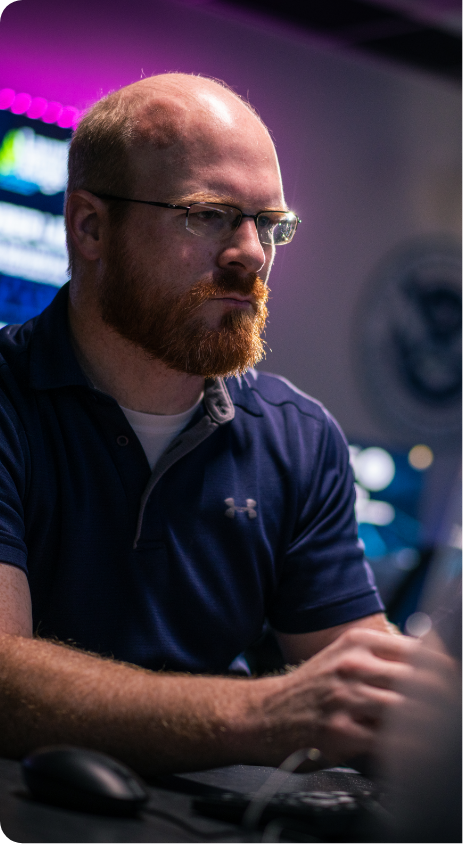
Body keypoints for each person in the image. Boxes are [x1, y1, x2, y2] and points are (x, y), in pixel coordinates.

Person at [0, 73, 417, 775]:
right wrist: (264, 715)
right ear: (89, 226)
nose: (252, 254)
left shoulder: (298, 438)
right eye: (207, 214)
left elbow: (355, 691)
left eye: (269, 225)